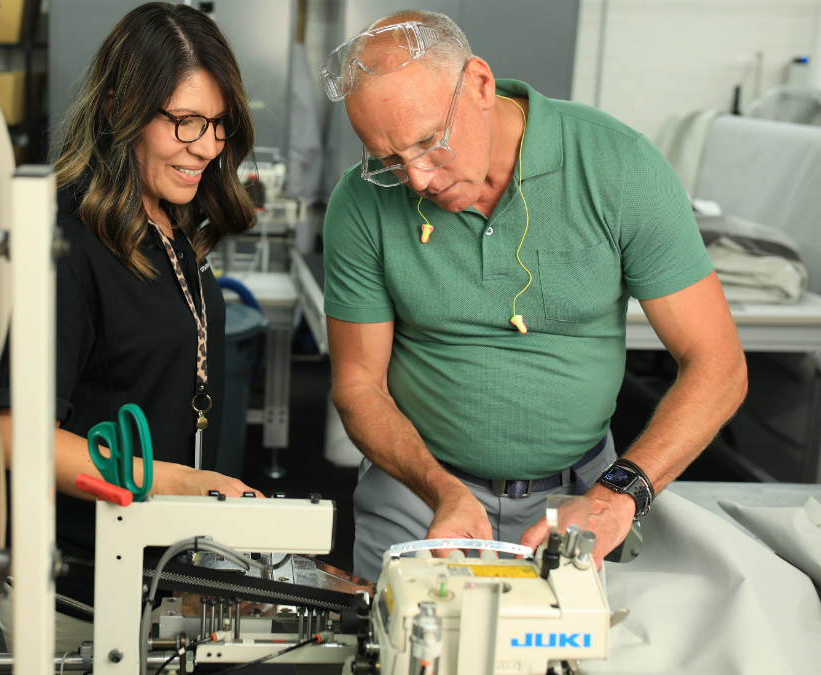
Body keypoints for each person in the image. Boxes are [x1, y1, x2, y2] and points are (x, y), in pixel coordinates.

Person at [320, 10, 748, 581]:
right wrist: (440, 490)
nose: (418, 178)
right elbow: (357, 385)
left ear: (480, 84)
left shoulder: (615, 166)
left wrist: (614, 497)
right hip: (418, 493)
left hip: (580, 496)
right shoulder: (360, 202)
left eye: (429, 142)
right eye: (390, 161)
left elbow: (718, 365)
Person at [0, 2, 261, 649]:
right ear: (118, 109)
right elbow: (14, 436)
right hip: (77, 591)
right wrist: (182, 482)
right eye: (184, 122)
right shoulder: (68, 240)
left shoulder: (168, 222)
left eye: (217, 125)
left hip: (155, 579)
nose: (206, 148)